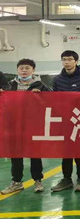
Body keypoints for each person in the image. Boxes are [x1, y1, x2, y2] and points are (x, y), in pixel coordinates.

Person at [0, 59, 51, 195]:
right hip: (14, 125)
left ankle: (38, 181)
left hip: (33, 124)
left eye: (27, 68)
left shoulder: (40, 85)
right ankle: (16, 182)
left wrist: (42, 96)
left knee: (35, 154)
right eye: (21, 68)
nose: (24, 70)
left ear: (33, 70)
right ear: (17, 70)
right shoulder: (10, 85)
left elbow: (52, 100)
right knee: (15, 154)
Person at [51, 50, 80, 192]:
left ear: (76, 61)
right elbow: (55, 99)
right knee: (66, 152)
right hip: (65, 120)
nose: (67, 62)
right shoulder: (58, 79)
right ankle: (66, 179)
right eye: (64, 59)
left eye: (70, 59)